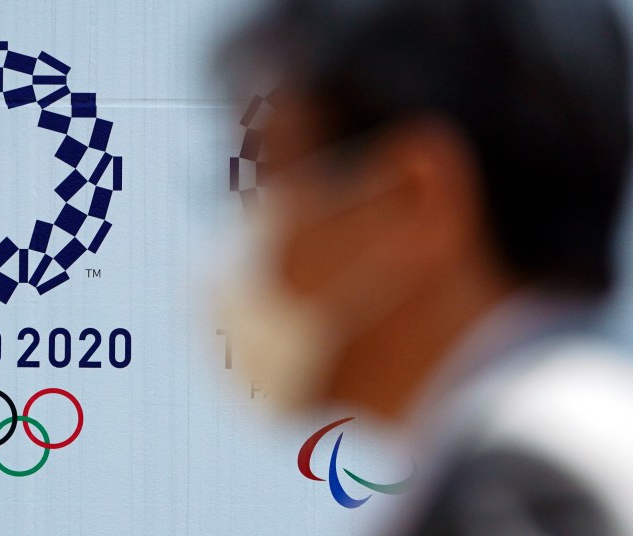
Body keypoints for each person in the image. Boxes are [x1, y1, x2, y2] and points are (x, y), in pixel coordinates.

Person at [216, 0, 633, 534]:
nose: (254, 238)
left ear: (412, 198)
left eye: (270, 179)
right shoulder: (577, 440)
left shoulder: (517, 490)